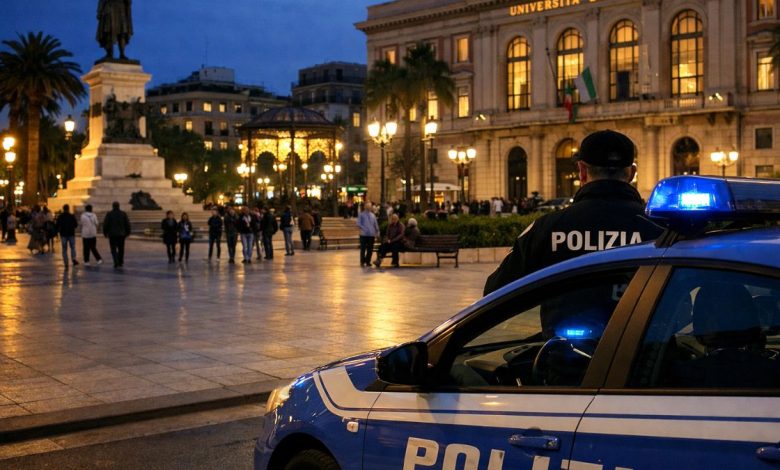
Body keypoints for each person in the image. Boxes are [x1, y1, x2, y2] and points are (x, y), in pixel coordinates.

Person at [484, 130, 664, 295]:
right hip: (642, 330)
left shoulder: (546, 228)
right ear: (632, 173)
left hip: (559, 329)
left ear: (582, 171)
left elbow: (494, 291)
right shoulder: (660, 229)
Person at [103, 201, 131, 268]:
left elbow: (105, 224)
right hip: (121, 235)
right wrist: (128, 232)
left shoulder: (109, 214)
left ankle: (116, 261)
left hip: (112, 235)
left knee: (113, 249)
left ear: (113, 206)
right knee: (121, 249)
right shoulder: (123, 214)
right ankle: (120, 262)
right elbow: (127, 224)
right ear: (119, 206)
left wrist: (105, 233)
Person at [357, 202, 379, 267]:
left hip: (371, 235)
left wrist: (377, 231)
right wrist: (364, 228)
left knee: (370, 249)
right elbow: (358, 223)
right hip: (363, 235)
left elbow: (375, 224)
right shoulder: (361, 215)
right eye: (367, 206)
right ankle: (362, 261)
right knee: (363, 249)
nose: (369, 208)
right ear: (365, 207)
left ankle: (368, 261)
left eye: (370, 206)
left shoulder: (373, 215)